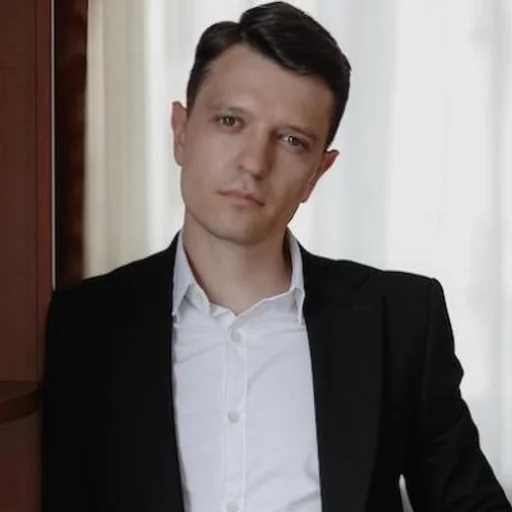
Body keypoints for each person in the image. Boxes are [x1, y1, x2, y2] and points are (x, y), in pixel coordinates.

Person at [42, 2, 511, 511]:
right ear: (180, 132)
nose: (253, 162)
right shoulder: (87, 327)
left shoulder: (399, 320)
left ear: (317, 173)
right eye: (230, 121)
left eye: (291, 140)